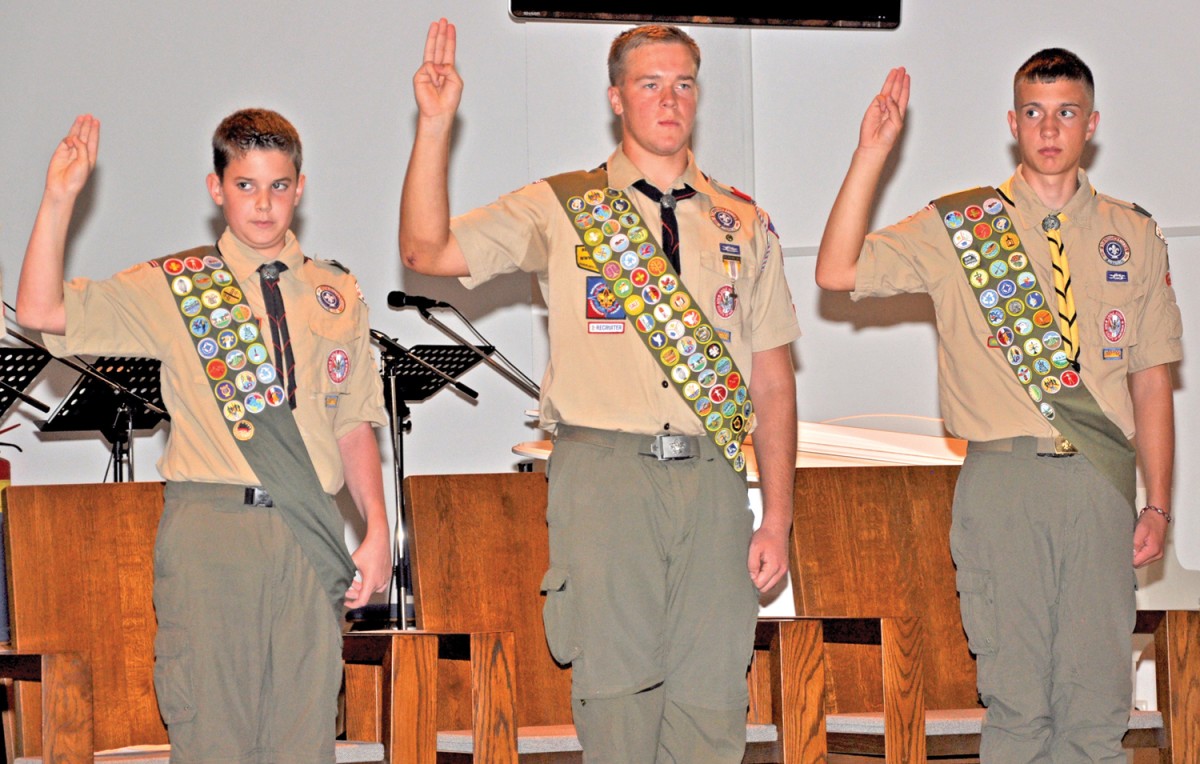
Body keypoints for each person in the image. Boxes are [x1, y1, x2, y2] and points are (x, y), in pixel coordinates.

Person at [399, 19, 799, 763]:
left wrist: (776, 514)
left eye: (683, 84)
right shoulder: (565, 205)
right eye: (650, 84)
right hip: (607, 474)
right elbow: (427, 249)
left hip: (714, 479)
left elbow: (773, 384)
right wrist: (434, 128)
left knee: (713, 694)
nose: (669, 100)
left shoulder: (741, 220)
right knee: (617, 696)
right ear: (617, 97)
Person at [815, 51, 1181, 761]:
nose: (1050, 128)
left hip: (1099, 486)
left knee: (1098, 708)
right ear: (1013, 123)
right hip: (1003, 481)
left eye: (1066, 112)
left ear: (1092, 125)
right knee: (1018, 706)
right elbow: (837, 269)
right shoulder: (965, 226)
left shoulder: (1131, 233)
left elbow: (1152, 381)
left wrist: (1158, 503)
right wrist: (871, 155)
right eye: (1035, 113)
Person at [16, 109, 391, 762]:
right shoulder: (179, 286)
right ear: (217, 189)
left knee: (305, 740)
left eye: (278, 185)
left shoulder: (336, 291)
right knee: (214, 737)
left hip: (309, 533)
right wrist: (58, 200)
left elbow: (353, 419)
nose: (264, 204)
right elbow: (40, 312)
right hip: (212, 529)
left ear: (300, 188)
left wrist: (378, 531)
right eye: (245, 185)